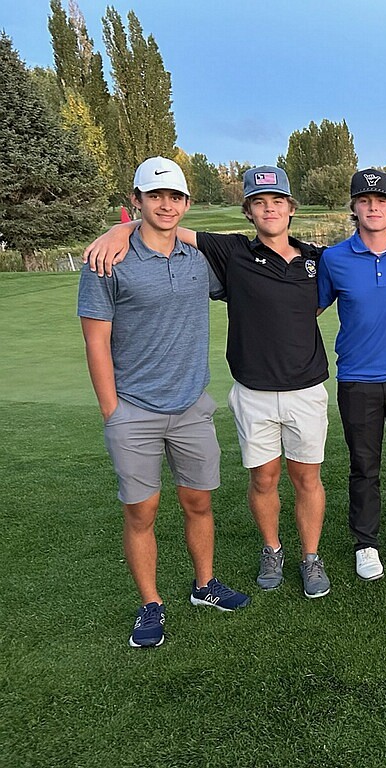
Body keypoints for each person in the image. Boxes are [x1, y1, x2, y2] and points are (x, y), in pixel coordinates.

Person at [84, 167, 386, 597]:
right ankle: (272, 549)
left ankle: (311, 557)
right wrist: (124, 229)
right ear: (248, 211)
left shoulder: (318, 259)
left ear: (290, 209)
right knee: (263, 479)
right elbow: (168, 228)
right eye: (260, 202)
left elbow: (336, 293)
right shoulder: (231, 253)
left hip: (306, 389)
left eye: (277, 201)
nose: (270, 209)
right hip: (253, 392)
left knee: (307, 478)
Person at [78, 157, 249, 649]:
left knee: (198, 501)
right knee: (142, 512)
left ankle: (205, 586)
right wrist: (112, 411)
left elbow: (245, 267)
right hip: (133, 408)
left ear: (187, 204)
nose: (165, 205)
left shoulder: (199, 261)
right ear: (137, 200)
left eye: (174, 197)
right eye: (155, 196)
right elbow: (95, 341)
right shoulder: (106, 260)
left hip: (192, 405)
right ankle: (151, 603)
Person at [317, 169, 386, 581]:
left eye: (381, 200)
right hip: (357, 379)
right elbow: (310, 307)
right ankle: (366, 543)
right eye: (365, 201)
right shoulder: (334, 259)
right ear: (354, 208)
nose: (373, 207)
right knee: (364, 465)